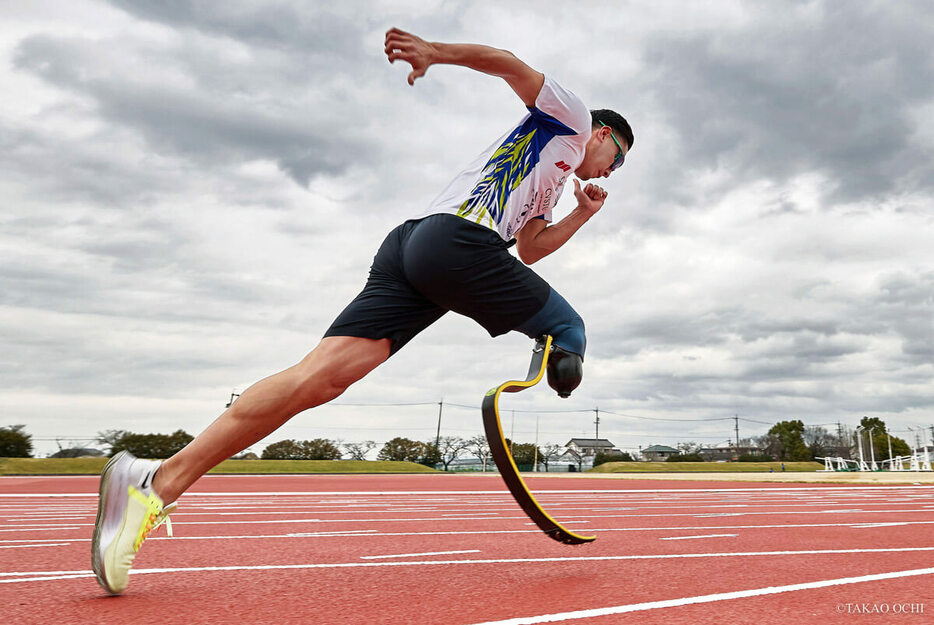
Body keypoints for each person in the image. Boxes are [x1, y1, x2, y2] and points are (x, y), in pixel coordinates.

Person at [91, 27, 633, 594]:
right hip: (453, 244)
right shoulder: (569, 118)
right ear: (601, 134)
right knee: (570, 327)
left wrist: (584, 215)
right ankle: (565, 344)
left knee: (316, 381)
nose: (608, 173)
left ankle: (152, 482)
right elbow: (507, 64)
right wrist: (437, 53)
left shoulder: (552, 176)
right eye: (614, 161)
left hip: (413, 249)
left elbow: (531, 249)